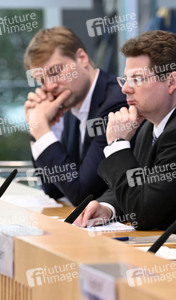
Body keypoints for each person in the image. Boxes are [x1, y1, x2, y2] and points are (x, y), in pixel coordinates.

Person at [74, 30, 176, 230]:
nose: (125, 89)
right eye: (125, 79)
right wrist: (107, 207)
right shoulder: (150, 125)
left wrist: (117, 145)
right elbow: (134, 185)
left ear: (171, 82)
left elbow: (144, 212)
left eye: (138, 79)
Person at [24, 26, 127, 205]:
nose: (50, 86)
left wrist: (40, 130)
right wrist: (44, 128)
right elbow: (53, 188)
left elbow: (82, 194)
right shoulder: (72, 105)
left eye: (55, 72)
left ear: (82, 58)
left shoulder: (115, 102)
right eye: (41, 81)